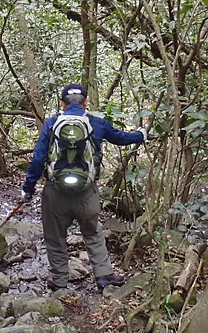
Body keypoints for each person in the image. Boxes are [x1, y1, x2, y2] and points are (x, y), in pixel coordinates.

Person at [18, 83, 146, 292]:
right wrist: (141, 134)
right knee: (93, 233)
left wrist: (28, 189)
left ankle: (59, 281)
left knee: (55, 237)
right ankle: (104, 277)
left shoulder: (52, 123)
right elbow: (121, 138)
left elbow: (38, 158)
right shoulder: (96, 123)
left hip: (55, 195)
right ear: (86, 103)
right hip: (87, 193)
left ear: (62, 104)